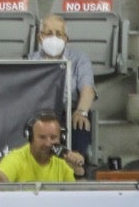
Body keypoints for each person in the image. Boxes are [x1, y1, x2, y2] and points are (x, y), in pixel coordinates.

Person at [27, 16, 97, 161]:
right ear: (40, 38)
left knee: (81, 123)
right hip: (38, 114)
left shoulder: (80, 59)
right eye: (49, 33)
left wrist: (81, 111)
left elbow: (87, 90)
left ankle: (76, 169)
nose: (54, 37)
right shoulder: (30, 60)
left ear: (66, 39)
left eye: (59, 34)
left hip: (69, 112)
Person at [0, 111, 83, 182]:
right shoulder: (17, 158)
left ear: (61, 138)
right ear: (30, 138)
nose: (48, 143)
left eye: (53, 137)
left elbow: (79, 198)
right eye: (42, 137)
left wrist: (78, 171)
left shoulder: (63, 161)